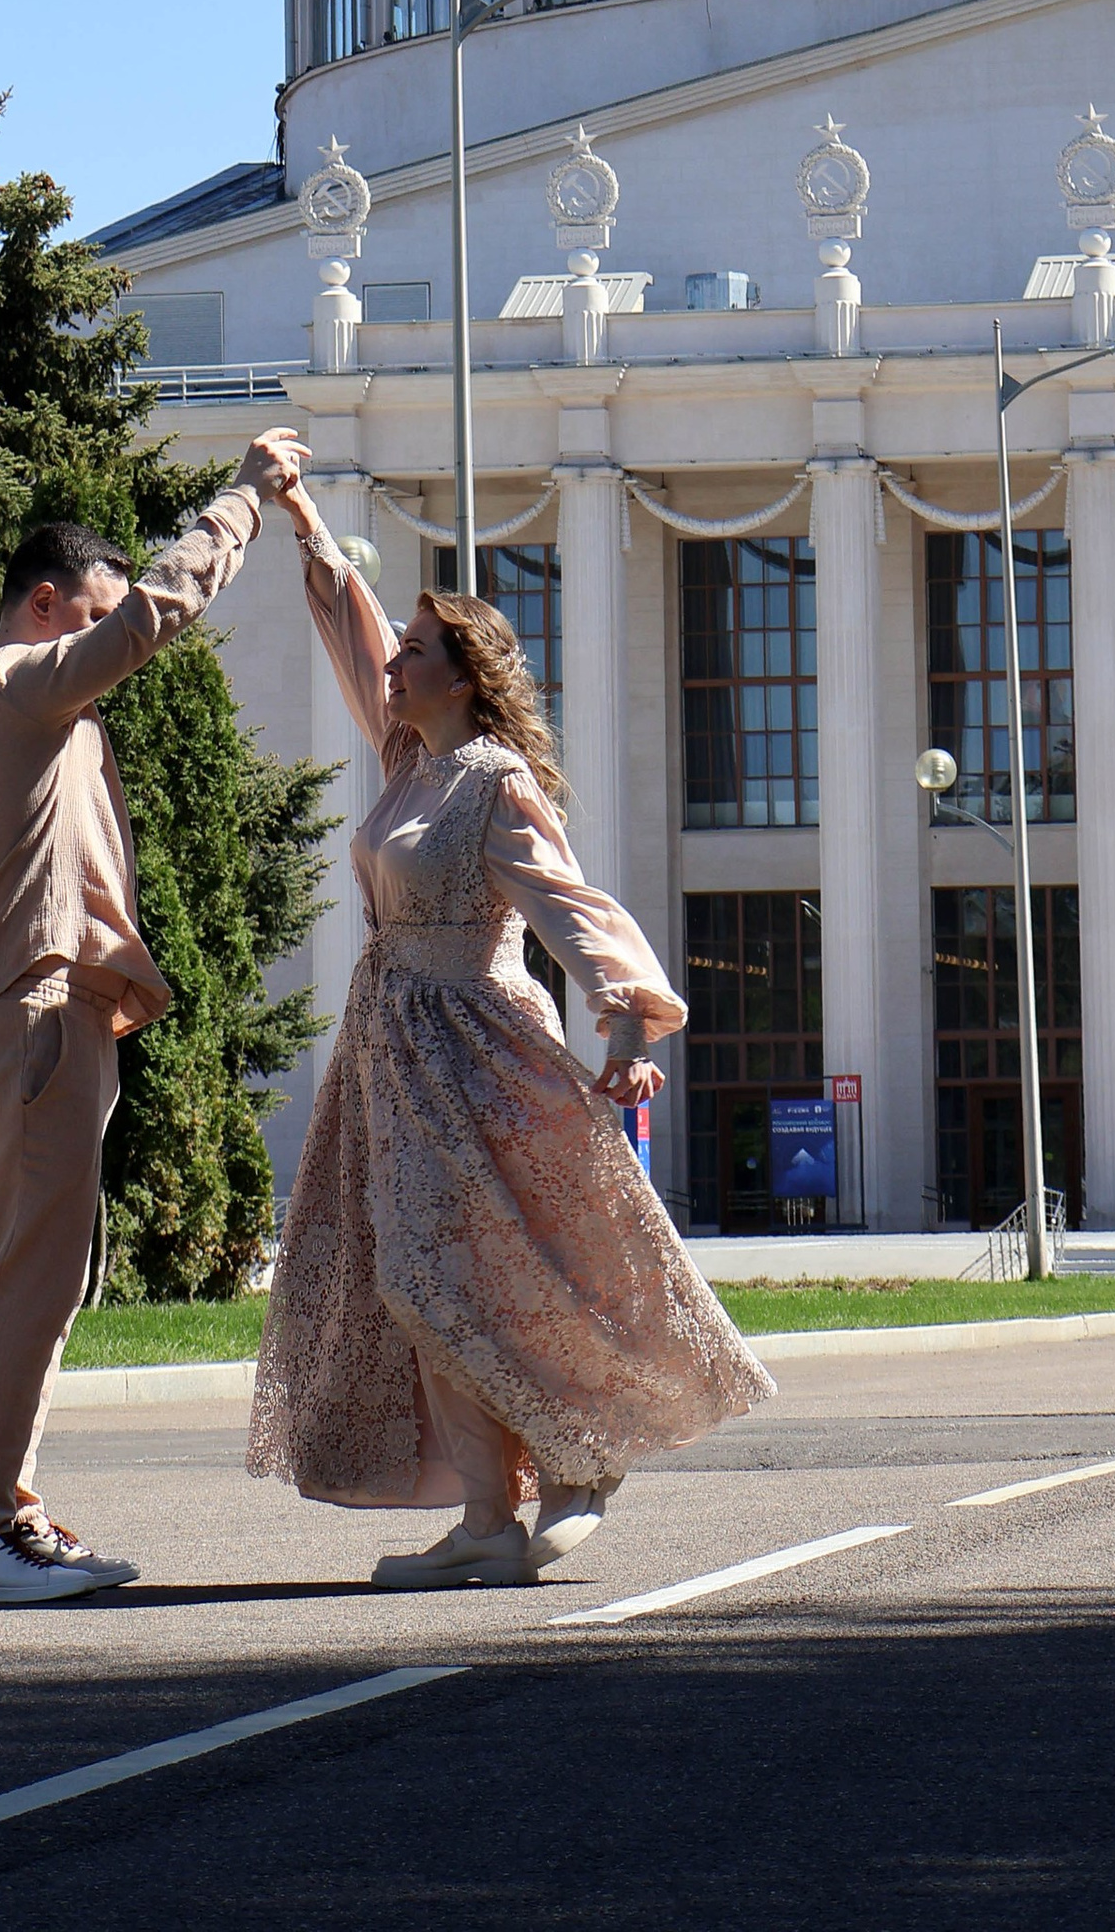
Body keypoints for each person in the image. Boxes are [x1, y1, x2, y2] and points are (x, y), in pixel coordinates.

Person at [248, 484, 774, 1587]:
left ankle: (565, 1463)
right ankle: (495, 1513)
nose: (395, 660)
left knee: (458, 1274)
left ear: (466, 676)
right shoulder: (409, 764)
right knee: (414, 1278)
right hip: (390, 1053)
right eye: (399, 647)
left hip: (474, 1044)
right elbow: (355, 636)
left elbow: (573, 910)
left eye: (419, 649)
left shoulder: (493, 782)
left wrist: (628, 1020)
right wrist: (299, 517)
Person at [0, 433, 307, 1604]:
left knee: (43, 1278)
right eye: (87, 613)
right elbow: (150, 618)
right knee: (31, 1280)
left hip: (47, 1014)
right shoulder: (10, 685)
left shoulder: (50, 720)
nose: (107, 638)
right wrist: (238, 502)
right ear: (46, 606)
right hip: (31, 1012)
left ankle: (8, 1520)